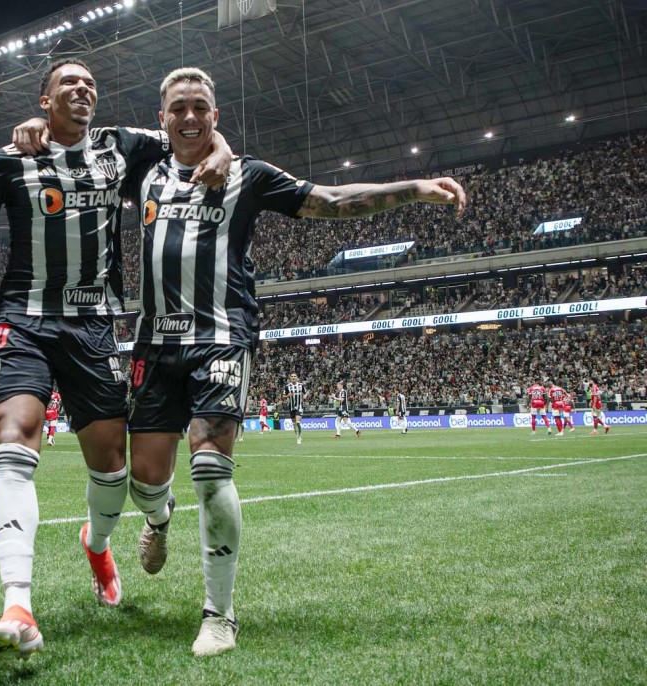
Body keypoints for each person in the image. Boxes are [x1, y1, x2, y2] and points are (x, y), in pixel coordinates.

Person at [0, 58, 230, 660]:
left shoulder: (122, 146)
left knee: (113, 470)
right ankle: (18, 604)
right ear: (44, 100)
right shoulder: (7, 161)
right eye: (69, 83)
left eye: (90, 82)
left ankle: (99, 544)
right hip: (23, 321)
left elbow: (191, 131)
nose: (83, 88)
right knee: (15, 438)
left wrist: (223, 148)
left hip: (93, 327)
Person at [123, 67, 466, 657]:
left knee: (210, 469)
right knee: (145, 483)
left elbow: (330, 201)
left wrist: (413, 188)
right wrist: (33, 127)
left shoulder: (249, 176)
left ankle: (220, 615)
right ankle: (159, 517)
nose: (189, 116)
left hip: (222, 336)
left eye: (200, 107)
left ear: (215, 116)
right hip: (154, 345)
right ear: (162, 118)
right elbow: (77, 140)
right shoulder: (143, 166)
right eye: (178, 107)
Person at [284, 373, 305, 444]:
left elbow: (305, 393)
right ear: (290, 378)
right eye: (292, 376)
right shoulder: (287, 387)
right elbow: (283, 396)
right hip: (291, 407)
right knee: (294, 424)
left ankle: (299, 437)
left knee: (298, 421)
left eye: (295, 376)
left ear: (297, 378)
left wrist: (305, 396)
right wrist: (288, 395)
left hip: (299, 406)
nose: (293, 377)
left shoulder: (301, 385)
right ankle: (298, 436)